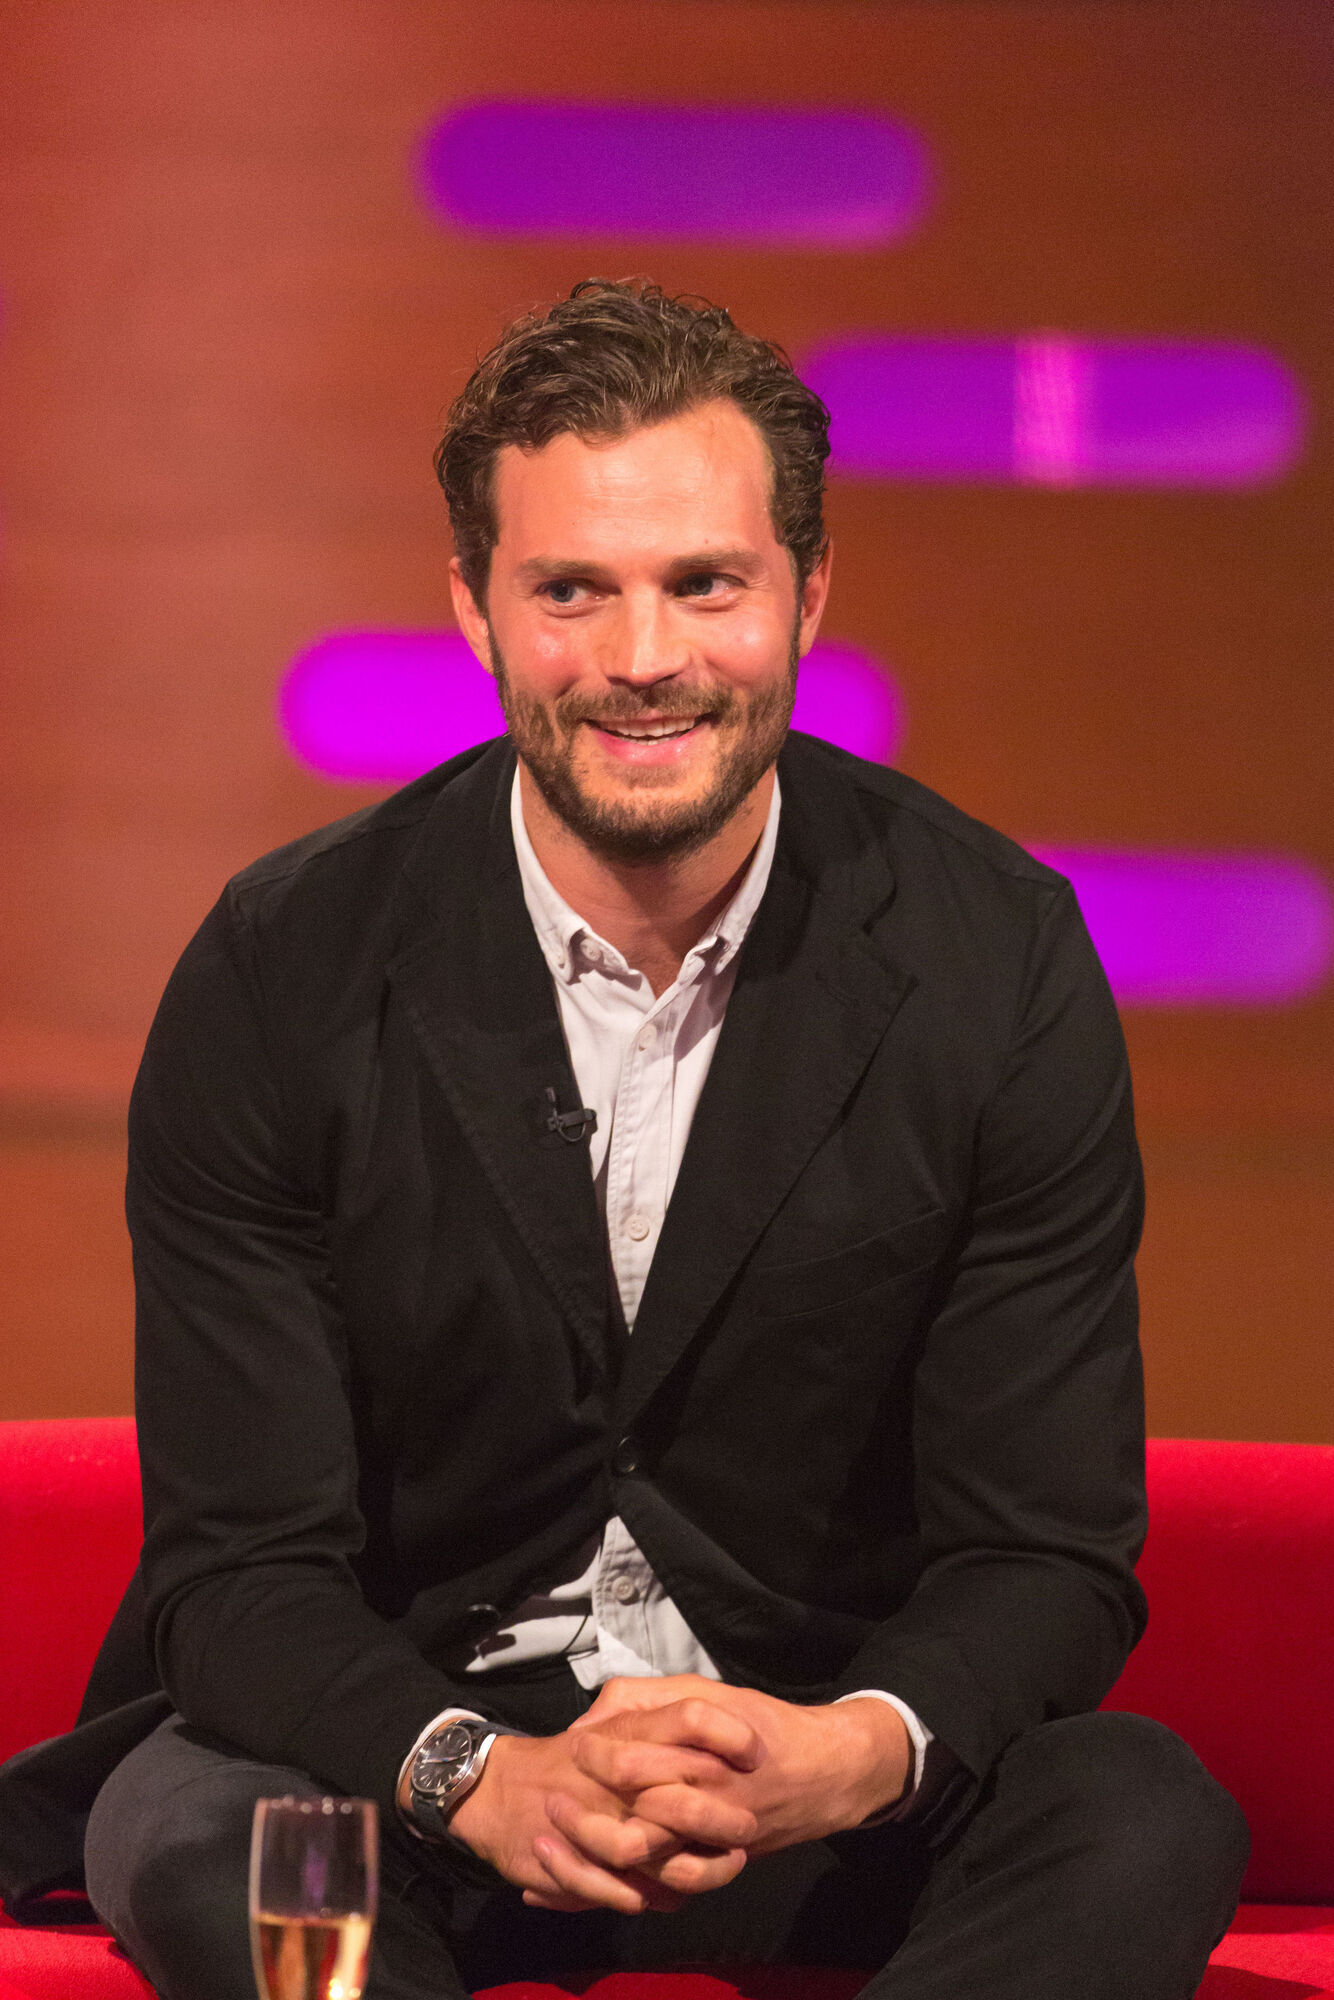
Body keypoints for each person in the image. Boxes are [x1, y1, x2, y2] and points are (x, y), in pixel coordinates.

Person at [0, 279, 1246, 1998]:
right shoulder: (286, 969)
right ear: (475, 606)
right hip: (417, 1770)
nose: (642, 658)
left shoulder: (996, 961)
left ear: (808, 592)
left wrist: (846, 1751)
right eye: (570, 589)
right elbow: (238, 1570)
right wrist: (479, 1777)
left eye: (704, 584)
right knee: (207, 1831)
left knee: (1135, 1814)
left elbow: (1045, 1551)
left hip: (803, 1790)